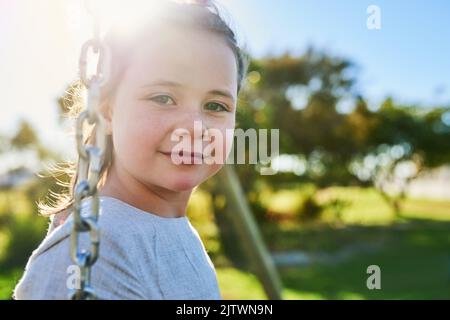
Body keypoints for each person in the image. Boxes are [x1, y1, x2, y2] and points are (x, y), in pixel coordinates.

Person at [14, 0, 248, 299]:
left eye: (216, 106)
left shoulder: (169, 229)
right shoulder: (95, 252)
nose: (195, 128)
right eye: (163, 98)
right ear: (107, 112)